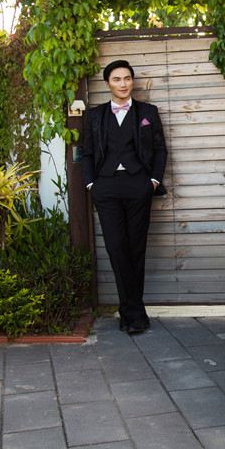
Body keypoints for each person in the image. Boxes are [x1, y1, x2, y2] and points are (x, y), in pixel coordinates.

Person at [81, 60, 168, 334]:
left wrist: (152, 181)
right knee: (116, 248)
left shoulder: (148, 112)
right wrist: (91, 184)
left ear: (132, 81)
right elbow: (87, 152)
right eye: (117, 79)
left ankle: (132, 314)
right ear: (108, 83)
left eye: (127, 78)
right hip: (105, 187)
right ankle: (134, 312)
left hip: (138, 185)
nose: (123, 83)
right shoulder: (95, 116)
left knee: (136, 248)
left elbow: (160, 149)